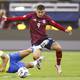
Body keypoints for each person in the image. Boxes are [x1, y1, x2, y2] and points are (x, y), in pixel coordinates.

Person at [3, 4, 71, 75]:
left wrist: (64, 30)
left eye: (42, 12)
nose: (40, 14)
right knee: (35, 57)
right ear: (36, 11)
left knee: (59, 48)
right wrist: (7, 19)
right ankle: (38, 62)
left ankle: (58, 65)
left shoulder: (47, 18)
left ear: (44, 12)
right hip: (36, 42)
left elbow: (55, 24)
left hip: (45, 39)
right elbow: (20, 18)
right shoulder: (31, 16)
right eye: (39, 12)